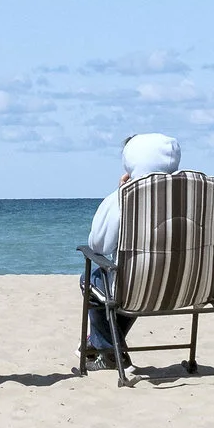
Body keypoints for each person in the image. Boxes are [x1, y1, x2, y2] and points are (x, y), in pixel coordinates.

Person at [81, 133, 181, 365]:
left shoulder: (124, 197)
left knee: (92, 279)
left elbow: (98, 245)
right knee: (131, 285)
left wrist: (119, 195)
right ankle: (102, 342)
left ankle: (107, 349)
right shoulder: (199, 193)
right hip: (189, 287)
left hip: (137, 288)